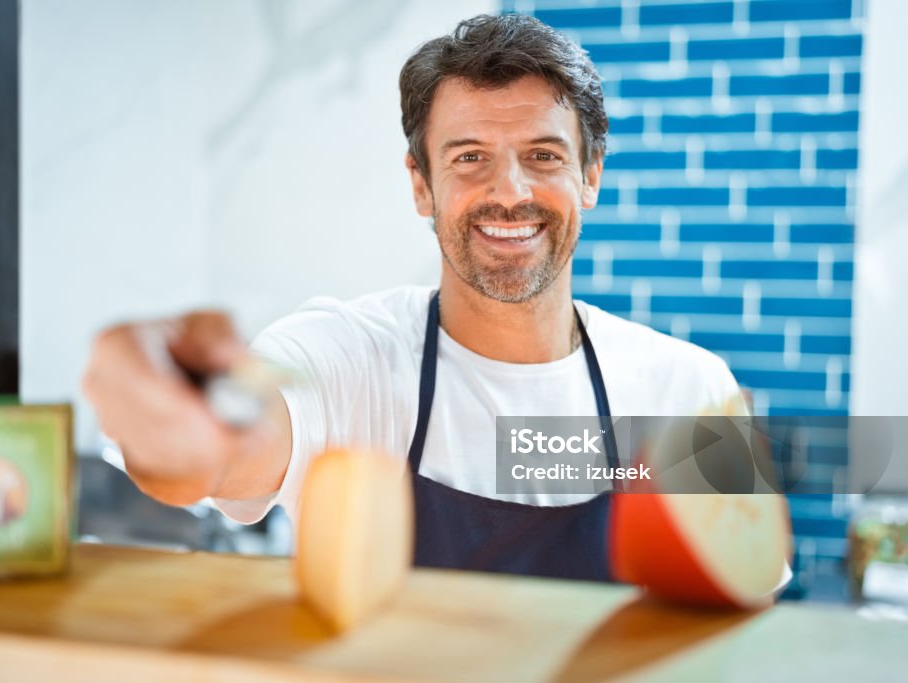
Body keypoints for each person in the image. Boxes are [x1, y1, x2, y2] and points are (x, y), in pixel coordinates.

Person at [83, 14, 745, 581]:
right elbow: (230, 449)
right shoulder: (349, 358)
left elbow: (738, 606)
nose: (510, 191)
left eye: (543, 156)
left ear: (590, 174)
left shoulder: (686, 389)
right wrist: (172, 422)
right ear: (421, 184)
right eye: (469, 157)